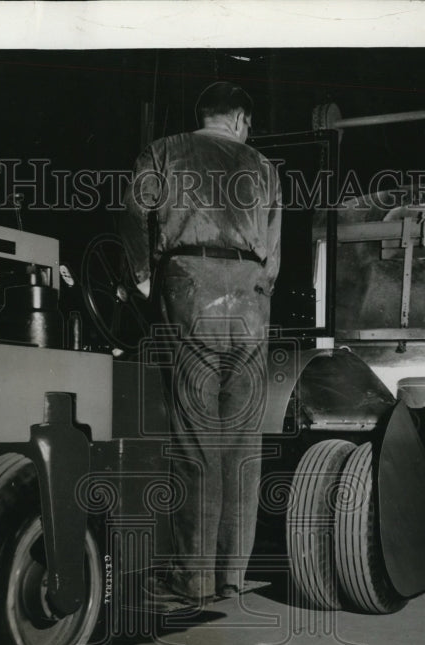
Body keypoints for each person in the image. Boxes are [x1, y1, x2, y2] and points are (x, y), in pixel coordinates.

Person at [120, 81, 282, 611]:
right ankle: (233, 577)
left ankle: (193, 580)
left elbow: (130, 214)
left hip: (190, 283)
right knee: (243, 442)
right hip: (251, 294)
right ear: (238, 118)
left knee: (194, 439)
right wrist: (257, 291)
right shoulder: (263, 167)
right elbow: (274, 251)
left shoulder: (163, 151)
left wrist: (145, 278)